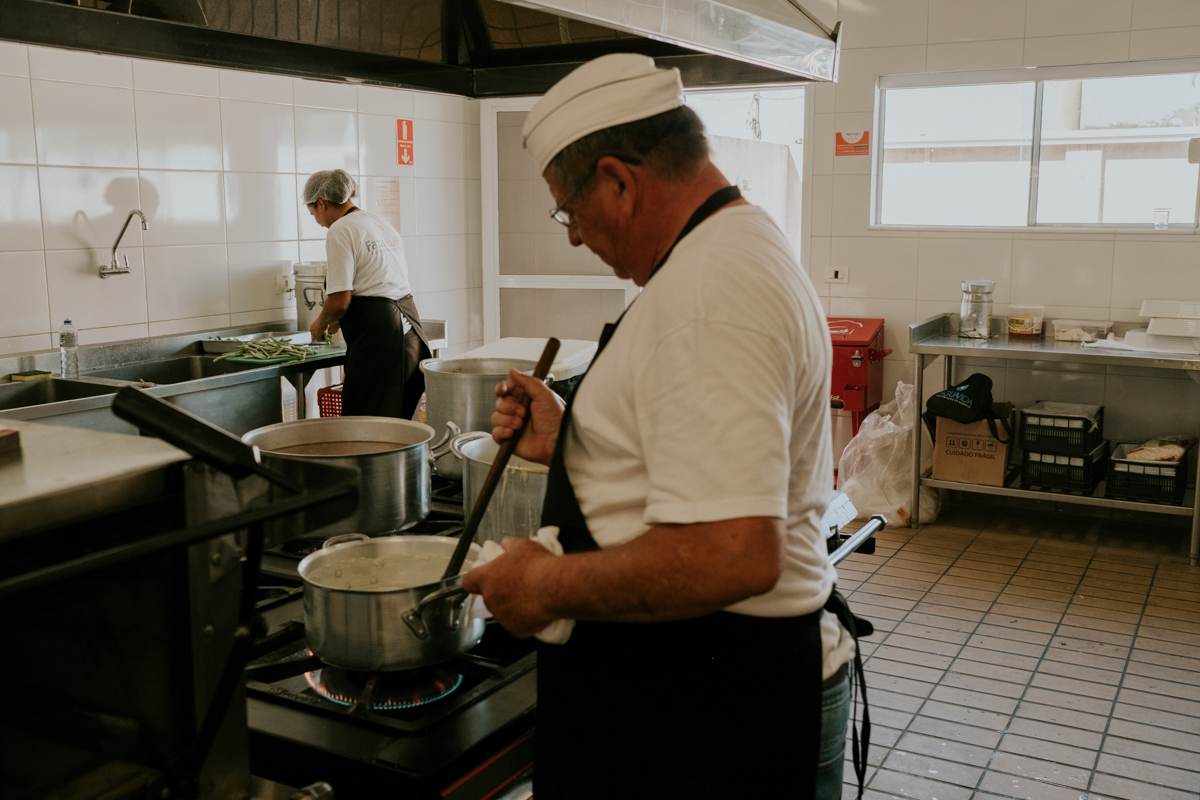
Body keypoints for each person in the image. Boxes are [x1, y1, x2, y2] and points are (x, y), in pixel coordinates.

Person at [461, 54, 871, 800]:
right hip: (703, 686)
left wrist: (544, 584)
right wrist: (576, 440)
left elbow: (730, 554)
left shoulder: (709, 290)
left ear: (619, 180)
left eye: (569, 211)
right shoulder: (733, 248)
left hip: (710, 706)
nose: (574, 238)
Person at [304, 169, 430, 419]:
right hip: (412, 337)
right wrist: (341, 320)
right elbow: (379, 283)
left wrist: (319, 324)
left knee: (364, 431)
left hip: (382, 343)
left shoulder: (340, 230)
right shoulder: (378, 223)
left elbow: (339, 300)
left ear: (321, 202)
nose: (318, 222)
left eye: (314, 214)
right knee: (397, 429)